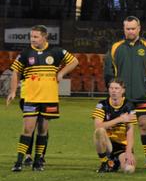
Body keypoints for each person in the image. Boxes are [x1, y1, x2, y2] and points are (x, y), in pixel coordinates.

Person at [6, 25, 78, 171]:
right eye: (31, 37)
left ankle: (38, 162)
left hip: (49, 98)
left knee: (43, 130)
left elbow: (74, 61)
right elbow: (15, 72)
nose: (32, 39)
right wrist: (13, 91)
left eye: (36, 37)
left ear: (45, 37)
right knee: (27, 129)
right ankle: (19, 162)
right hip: (31, 98)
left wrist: (61, 73)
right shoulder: (26, 53)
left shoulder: (56, 51)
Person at [104, 16, 146, 170]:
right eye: (127, 28)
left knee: (143, 125)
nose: (130, 31)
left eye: (133, 28)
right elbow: (108, 71)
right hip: (122, 98)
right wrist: (114, 91)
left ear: (139, 28)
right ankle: (119, 159)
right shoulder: (116, 47)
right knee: (120, 129)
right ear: (124, 29)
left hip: (141, 96)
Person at [92, 79, 137, 173]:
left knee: (129, 169)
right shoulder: (102, 104)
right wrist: (120, 119)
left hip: (122, 146)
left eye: (116, 88)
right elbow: (97, 126)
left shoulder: (129, 106)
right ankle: (104, 162)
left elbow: (130, 131)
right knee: (99, 131)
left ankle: (114, 164)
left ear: (123, 90)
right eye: (111, 88)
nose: (113, 90)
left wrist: (128, 152)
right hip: (108, 144)